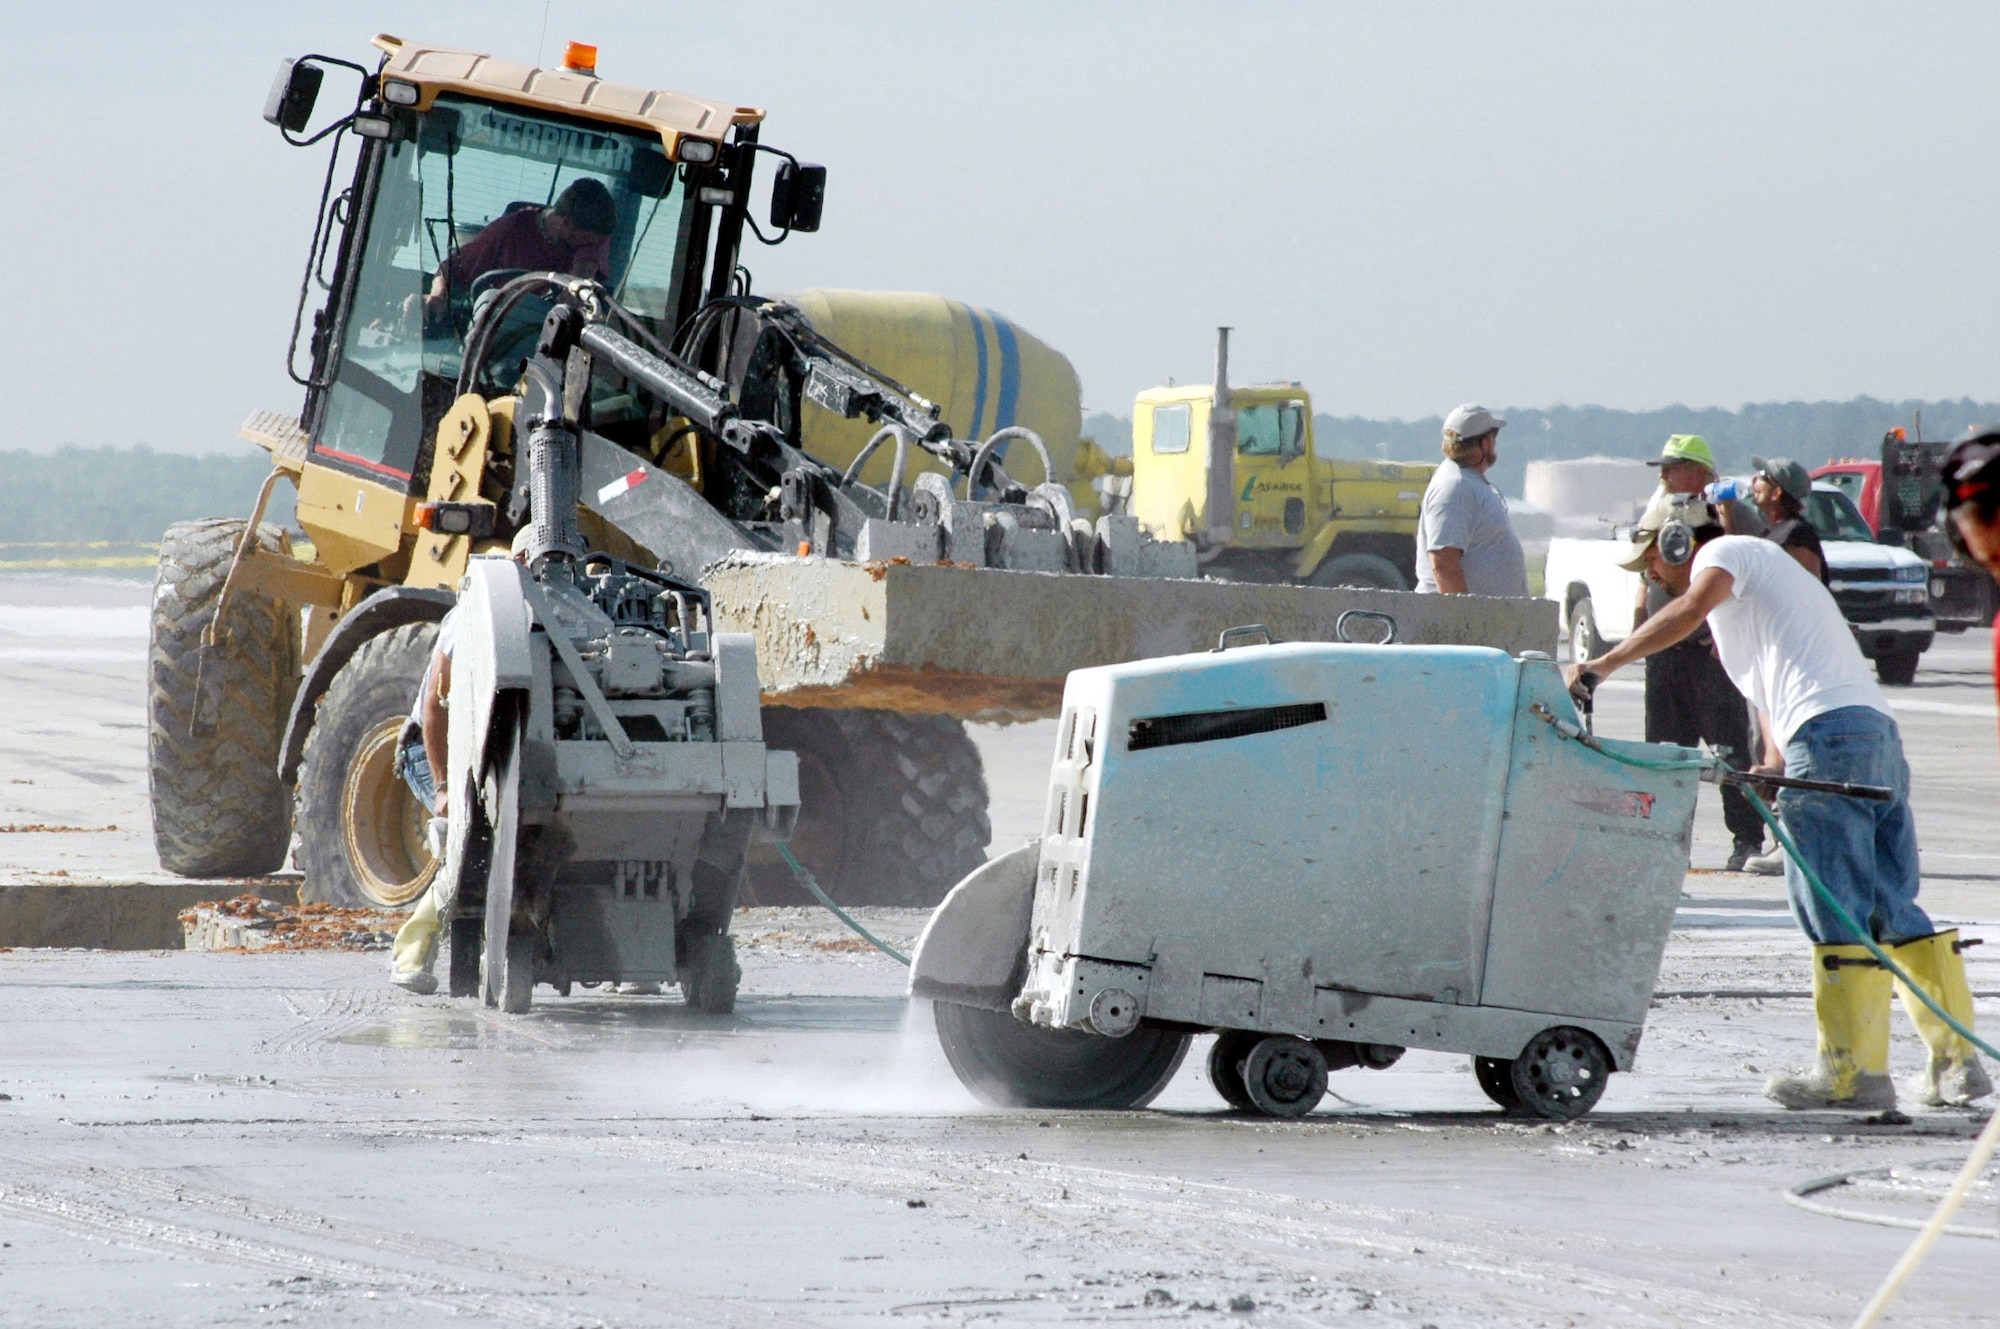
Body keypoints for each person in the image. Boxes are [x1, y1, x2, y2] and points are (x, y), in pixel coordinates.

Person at [1566, 501, 1990, 1110]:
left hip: (1829, 736)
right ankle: (1957, 1063)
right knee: (1892, 905)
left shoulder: (1724, 554)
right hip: (1871, 735)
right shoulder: (1763, 594)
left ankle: (1853, 1076)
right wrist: (1772, 763)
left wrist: (1601, 664)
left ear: (1683, 542)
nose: (1649, 576)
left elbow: (1685, 610)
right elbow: (1770, 698)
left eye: (1651, 560)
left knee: (1833, 908)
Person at [1632, 437, 1768, 872]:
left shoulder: (1733, 514)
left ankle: (1747, 838)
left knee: (1729, 750)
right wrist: (1641, 622)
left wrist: (1723, 629)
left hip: (1712, 658)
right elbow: (1643, 571)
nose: (1664, 475)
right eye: (1663, 468)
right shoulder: (1660, 510)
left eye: (1672, 467)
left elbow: (1752, 571)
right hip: (1666, 656)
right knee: (1665, 754)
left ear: (1700, 471)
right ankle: (1665, 844)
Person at [418, 177, 619, 321]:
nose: (594, 244)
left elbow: (586, 269)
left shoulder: (596, 236)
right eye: (590, 239)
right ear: (567, 223)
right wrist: (437, 296)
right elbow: (451, 269)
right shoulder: (511, 228)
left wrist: (575, 288)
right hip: (498, 333)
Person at [1413, 403, 1528, 596]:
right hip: (1463, 622)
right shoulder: (1454, 487)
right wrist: (1465, 622)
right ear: (1484, 443)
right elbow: (1443, 564)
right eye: (1493, 436)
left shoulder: (1464, 482)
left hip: (1487, 620)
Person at [1745, 456, 1825, 581]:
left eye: (1762, 475)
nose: (1753, 478)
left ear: (1776, 493)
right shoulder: (1771, 532)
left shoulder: (1797, 534)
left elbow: (1806, 585)